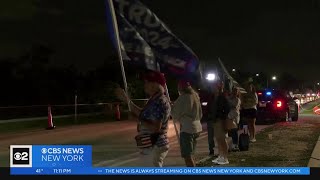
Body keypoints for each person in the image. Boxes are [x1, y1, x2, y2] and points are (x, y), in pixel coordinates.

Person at [115, 70, 171, 167]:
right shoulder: (155, 99)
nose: (144, 85)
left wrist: (137, 120)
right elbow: (142, 113)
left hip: (153, 145)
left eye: (147, 82)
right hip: (153, 145)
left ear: (155, 84)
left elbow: (155, 128)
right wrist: (126, 100)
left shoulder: (158, 101)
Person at [171, 80, 203, 167]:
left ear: (181, 88)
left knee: (187, 156)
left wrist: (171, 107)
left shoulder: (183, 97)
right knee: (191, 154)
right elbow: (200, 113)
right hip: (197, 127)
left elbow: (175, 114)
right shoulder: (195, 96)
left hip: (187, 129)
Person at [208, 80, 230, 165]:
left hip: (221, 120)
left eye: (214, 86)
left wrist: (222, 117)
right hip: (215, 120)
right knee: (218, 139)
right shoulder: (214, 96)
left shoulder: (222, 96)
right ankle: (221, 156)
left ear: (219, 87)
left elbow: (227, 109)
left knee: (222, 139)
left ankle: (225, 158)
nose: (213, 88)